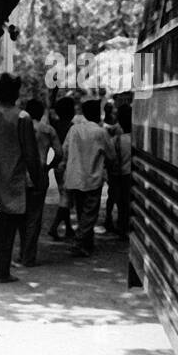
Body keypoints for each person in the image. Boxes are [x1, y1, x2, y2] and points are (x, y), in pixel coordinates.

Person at [0, 73, 44, 282]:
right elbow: (31, 154)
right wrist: (38, 180)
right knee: (8, 225)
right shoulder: (22, 118)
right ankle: (3, 271)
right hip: (12, 180)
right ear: (16, 92)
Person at [60, 97, 110, 256]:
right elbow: (111, 155)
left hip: (75, 177)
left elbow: (64, 151)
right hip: (92, 178)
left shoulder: (74, 130)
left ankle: (86, 244)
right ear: (97, 113)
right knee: (89, 214)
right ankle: (80, 241)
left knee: (82, 211)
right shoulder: (101, 132)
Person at [18, 98, 60, 267]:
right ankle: (29, 256)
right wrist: (49, 166)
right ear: (42, 112)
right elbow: (59, 153)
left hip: (21, 176)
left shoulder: (19, 127)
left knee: (21, 217)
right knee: (35, 218)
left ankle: (22, 253)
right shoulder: (48, 130)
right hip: (40, 175)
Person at [47, 96, 78, 241]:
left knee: (64, 196)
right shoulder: (71, 127)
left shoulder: (55, 125)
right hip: (67, 164)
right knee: (66, 198)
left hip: (58, 164)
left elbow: (49, 111)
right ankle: (54, 227)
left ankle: (69, 228)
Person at [106, 103, 134, 237]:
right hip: (130, 175)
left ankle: (120, 226)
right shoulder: (136, 140)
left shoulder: (115, 140)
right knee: (128, 202)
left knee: (119, 202)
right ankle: (126, 227)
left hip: (117, 175)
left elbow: (109, 159)